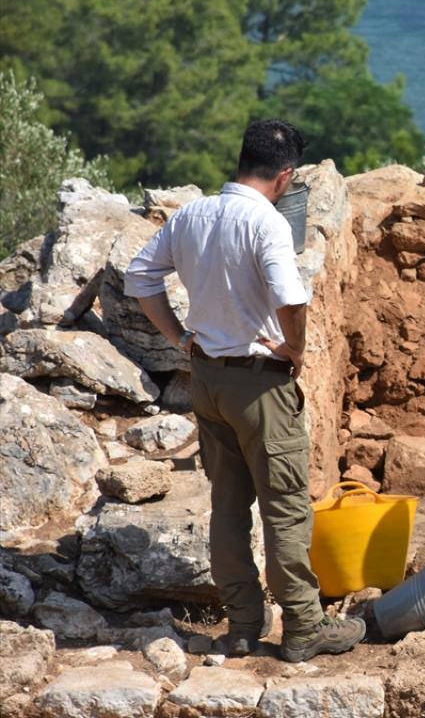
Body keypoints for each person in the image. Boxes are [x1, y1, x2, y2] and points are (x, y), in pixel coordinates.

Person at [124, 119, 364, 663]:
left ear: (241, 161)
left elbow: (141, 277)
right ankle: (303, 627)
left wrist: (179, 336)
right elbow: (291, 297)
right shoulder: (267, 223)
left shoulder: (193, 214)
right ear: (286, 176)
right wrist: (296, 349)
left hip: (206, 379)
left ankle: (241, 628)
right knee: (285, 510)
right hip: (260, 386)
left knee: (228, 506)